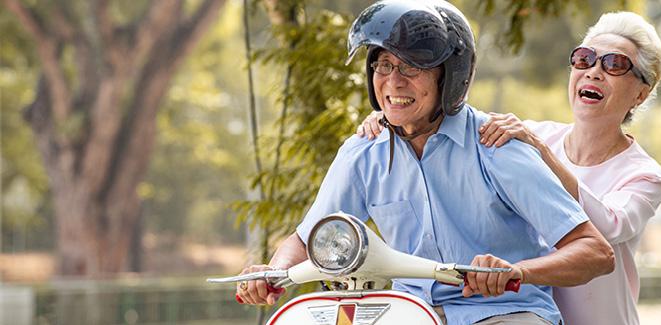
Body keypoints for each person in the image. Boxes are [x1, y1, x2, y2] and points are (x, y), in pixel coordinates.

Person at [238, 1, 615, 324]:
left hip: (504, 313)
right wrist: (271, 272)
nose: (393, 82)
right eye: (383, 66)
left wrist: (516, 272)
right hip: (409, 313)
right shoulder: (362, 153)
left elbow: (596, 252)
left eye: (411, 68)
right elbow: (305, 240)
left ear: (450, 78)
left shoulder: (497, 146)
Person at [358, 11, 661, 325]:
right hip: (522, 314)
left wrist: (543, 152)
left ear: (641, 92)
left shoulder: (643, 173)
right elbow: (453, 121)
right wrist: (395, 113)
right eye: (584, 59)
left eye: (614, 64)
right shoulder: (526, 137)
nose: (594, 72)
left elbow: (610, 227)